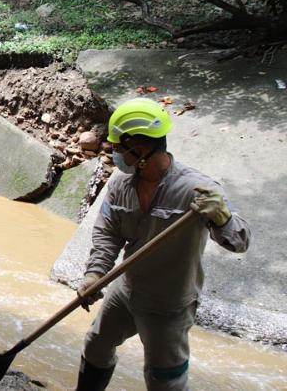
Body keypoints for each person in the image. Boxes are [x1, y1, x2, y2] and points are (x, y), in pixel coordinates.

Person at [75, 98, 250, 391]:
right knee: (96, 345)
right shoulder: (120, 185)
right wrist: (95, 274)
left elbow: (240, 241)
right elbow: (108, 234)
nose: (115, 154)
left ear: (140, 149)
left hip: (168, 304)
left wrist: (222, 218)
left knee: (164, 380)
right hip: (126, 289)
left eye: (120, 148)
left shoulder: (197, 191)